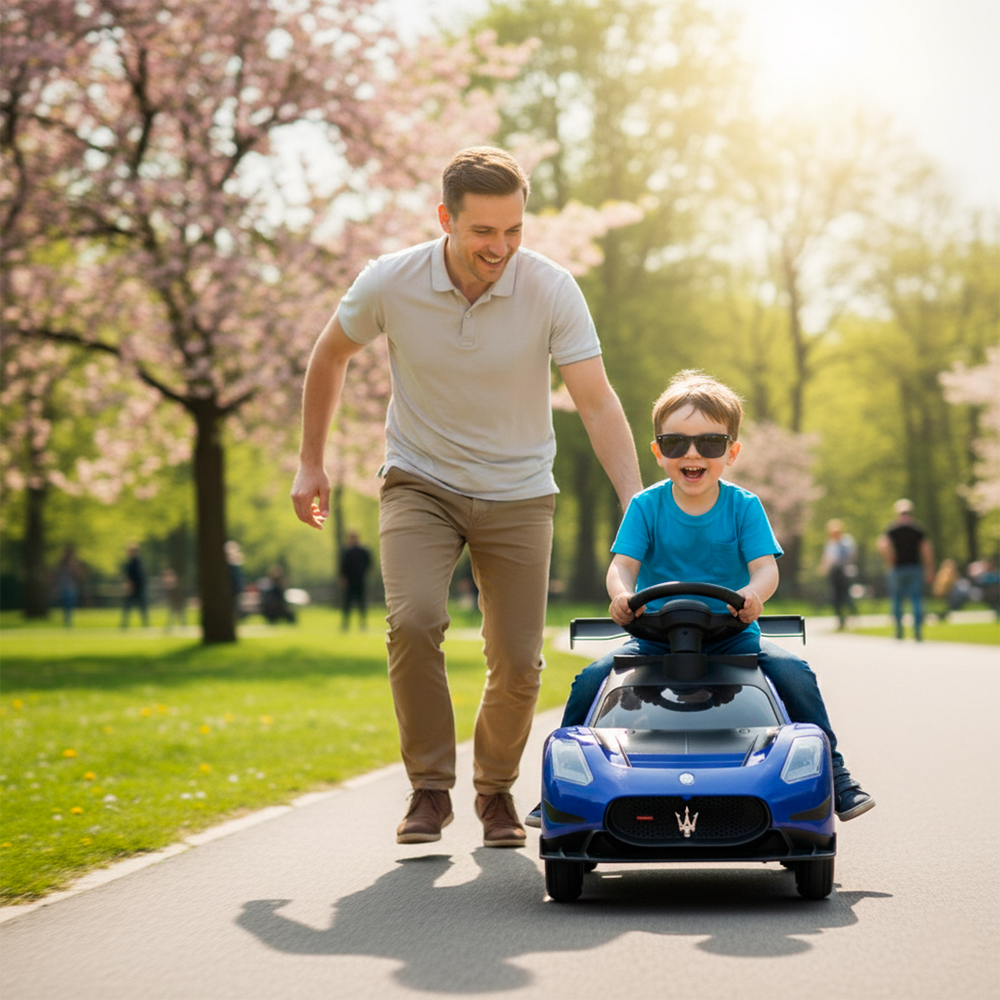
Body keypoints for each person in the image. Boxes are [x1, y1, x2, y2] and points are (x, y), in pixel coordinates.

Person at [291, 146, 642, 849]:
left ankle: (495, 792)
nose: (501, 247)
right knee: (415, 622)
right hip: (421, 480)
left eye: (514, 229)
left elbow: (597, 402)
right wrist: (310, 463)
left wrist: (639, 504)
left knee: (518, 661)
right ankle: (428, 788)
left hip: (518, 491)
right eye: (484, 231)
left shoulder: (549, 288)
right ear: (446, 217)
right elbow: (329, 354)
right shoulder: (390, 282)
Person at [525, 371, 874, 827]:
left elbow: (766, 567)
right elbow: (623, 566)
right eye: (676, 443)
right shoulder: (646, 507)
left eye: (709, 443)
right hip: (654, 637)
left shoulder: (743, 506)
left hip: (731, 634)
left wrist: (753, 593)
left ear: (731, 452)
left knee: (794, 672)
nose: (692, 454)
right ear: (658, 452)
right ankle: (561, 786)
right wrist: (621, 595)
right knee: (591, 679)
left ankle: (836, 772)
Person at [877, 499, 935, 640]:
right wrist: (929, 569)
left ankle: (899, 632)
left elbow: (882, 545)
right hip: (914, 568)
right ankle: (917, 632)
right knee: (916, 599)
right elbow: (926, 550)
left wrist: (890, 559)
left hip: (898, 569)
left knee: (897, 600)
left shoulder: (892, 529)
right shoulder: (917, 529)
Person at [819, 518, 858, 630]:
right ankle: (841, 620)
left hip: (844, 571)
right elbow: (827, 558)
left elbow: (851, 556)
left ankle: (852, 616)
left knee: (846, 595)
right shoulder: (830, 543)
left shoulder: (846, 542)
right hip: (834, 572)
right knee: (835, 596)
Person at [339, 531, 372, 630]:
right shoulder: (346, 552)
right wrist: (342, 578)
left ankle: (363, 623)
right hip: (349, 580)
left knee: (361, 602)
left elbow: (369, 564)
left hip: (360, 580)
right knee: (347, 603)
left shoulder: (363, 551)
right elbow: (342, 566)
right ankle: (345, 624)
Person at [120, 543, 148, 628]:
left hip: (137, 588)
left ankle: (145, 624)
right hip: (136, 588)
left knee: (140, 607)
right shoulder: (135, 562)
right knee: (131, 607)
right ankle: (125, 625)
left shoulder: (136, 562)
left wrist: (131, 585)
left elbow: (137, 576)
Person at [55, 544, 83, 627]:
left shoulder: (71, 563)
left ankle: (68, 620)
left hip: (70, 586)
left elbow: (78, 575)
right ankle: (67, 621)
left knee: (69, 604)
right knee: (66, 604)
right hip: (66, 586)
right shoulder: (62, 563)